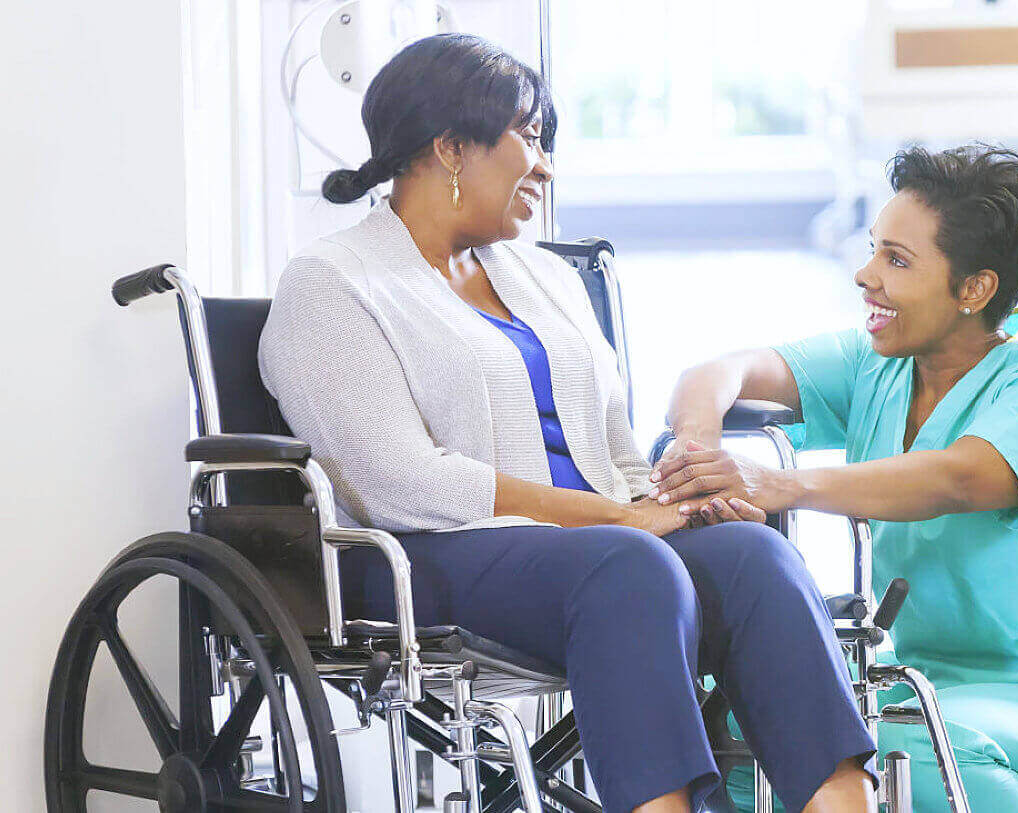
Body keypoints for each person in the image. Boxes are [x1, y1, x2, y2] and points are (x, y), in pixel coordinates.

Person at [257, 34, 874, 813]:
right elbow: (400, 483)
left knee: (756, 555)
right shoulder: (332, 284)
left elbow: (616, 448)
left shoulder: (545, 274)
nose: (544, 165)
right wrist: (621, 517)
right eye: (529, 136)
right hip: (423, 556)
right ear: (449, 147)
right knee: (628, 565)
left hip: (596, 549)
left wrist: (681, 504)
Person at [656, 144, 1018, 812]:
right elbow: (717, 372)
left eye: (897, 259)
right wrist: (695, 457)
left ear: (974, 288)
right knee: (735, 742)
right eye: (874, 248)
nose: (865, 274)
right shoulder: (880, 363)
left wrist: (783, 484)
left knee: (914, 762)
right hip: (928, 684)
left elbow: (960, 477)